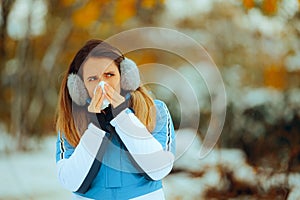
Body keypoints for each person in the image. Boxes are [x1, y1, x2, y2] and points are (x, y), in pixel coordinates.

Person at [55, 39, 176, 200]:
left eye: (109, 75)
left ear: (125, 76)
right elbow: (70, 180)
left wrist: (122, 116)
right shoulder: (72, 119)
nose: (103, 84)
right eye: (93, 78)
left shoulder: (155, 110)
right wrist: (95, 127)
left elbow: (158, 168)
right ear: (80, 86)